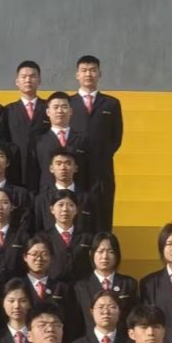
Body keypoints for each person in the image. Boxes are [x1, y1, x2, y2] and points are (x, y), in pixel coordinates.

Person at [67, 55, 123, 230]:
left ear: (100, 74)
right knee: (76, 216)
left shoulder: (111, 104)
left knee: (103, 215)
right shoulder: (68, 103)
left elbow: (116, 137)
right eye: (84, 70)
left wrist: (101, 153)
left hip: (102, 170)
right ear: (77, 74)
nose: (88, 74)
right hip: (75, 169)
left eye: (92, 70)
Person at [73, 232, 137, 331]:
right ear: (91, 254)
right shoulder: (80, 287)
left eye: (110, 252)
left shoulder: (128, 284)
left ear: (117, 255)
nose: (105, 256)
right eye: (100, 251)